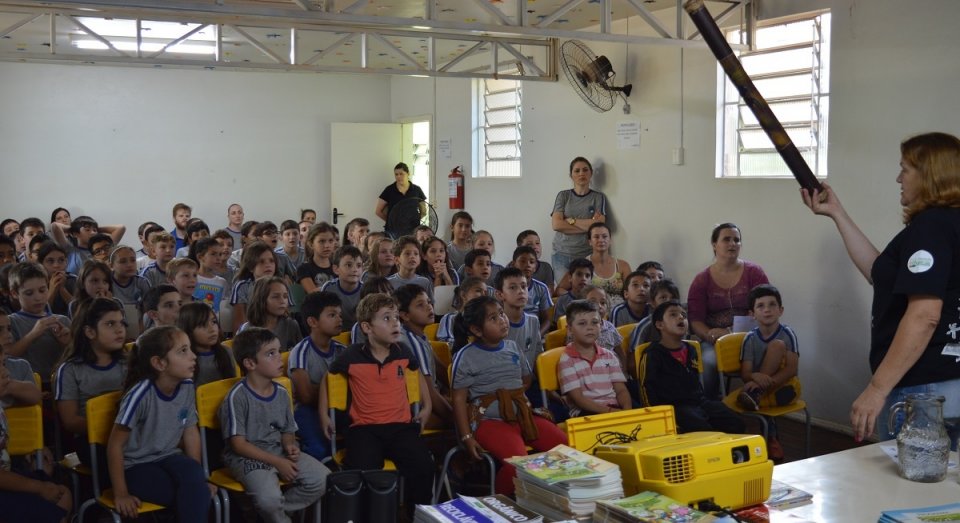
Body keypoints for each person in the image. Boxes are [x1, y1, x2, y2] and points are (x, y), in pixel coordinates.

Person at [801, 132, 960, 445]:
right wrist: (837, 213)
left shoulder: (930, 227)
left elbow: (925, 315)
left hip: (923, 389)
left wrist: (877, 389)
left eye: (905, 169)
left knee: (914, 476)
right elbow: (880, 274)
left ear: (929, 175)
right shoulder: (948, 225)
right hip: (951, 384)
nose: (899, 178)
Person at [320, 294, 435, 509]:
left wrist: (427, 406)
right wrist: (323, 415)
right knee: (362, 471)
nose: (395, 323)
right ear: (367, 327)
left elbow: (416, 373)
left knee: (423, 466)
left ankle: (416, 515)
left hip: (401, 427)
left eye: (396, 317)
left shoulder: (403, 352)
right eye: (386, 318)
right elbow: (328, 379)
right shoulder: (352, 355)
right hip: (364, 429)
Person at [450, 295, 567, 495]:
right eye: (493, 318)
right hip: (490, 422)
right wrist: (467, 436)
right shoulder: (466, 356)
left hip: (522, 415)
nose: (502, 320)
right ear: (476, 330)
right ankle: (500, 504)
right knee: (518, 465)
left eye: (501, 314)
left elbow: (526, 379)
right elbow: (459, 399)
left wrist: (513, 399)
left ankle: (548, 499)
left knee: (565, 449)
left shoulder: (512, 347)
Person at [220, 327, 329, 522]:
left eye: (278, 351)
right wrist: (277, 462)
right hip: (247, 458)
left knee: (323, 479)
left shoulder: (282, 392)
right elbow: (238, 445)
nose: (279, 357)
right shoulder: (237, 396)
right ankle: (275, 515)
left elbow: (287, 430)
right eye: (271, 353)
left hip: (278, 450)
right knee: (269, 500)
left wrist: (289, 445)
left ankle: (270, 515)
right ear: (250, 363)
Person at [107, 325, 211, 521]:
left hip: (169, 456)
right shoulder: (140, 394)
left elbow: (190, 431)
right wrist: (121, 493)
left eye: (190, 348)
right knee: (184, 494)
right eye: (183, 351)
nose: (193, 356)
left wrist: (198, 480)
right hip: (136, 464)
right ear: (159, 363)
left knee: (194, 477)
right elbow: (115, 445)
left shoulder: (187, 385)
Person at [687, 222, 769, 399]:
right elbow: (695, 320)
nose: (732, 244)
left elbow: (765, 309)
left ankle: (759, 400)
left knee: (777, 351)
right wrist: (710, 335)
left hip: (752, 338)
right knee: (708, 360)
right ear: (714, 244)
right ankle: (711, 406)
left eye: (737, 240)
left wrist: (730, 332)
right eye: (726, 239)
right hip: (714, 341)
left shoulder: (754, 273)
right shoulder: (702, 280)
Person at [639, 301, 744, 435]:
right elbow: (646, 388)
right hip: (674, 407)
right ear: (660, 325)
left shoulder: (691, 349)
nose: (681, 317)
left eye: (683, 315)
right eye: (673, 315)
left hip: (698, 402)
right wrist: (657, 415)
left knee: (735, 422)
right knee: (701, 429)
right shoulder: (653, 354)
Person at [54, 298, 127, 466]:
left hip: (129, 434)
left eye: (121, 323)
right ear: (90, 332)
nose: (119, 329)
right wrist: (111, 427)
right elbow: (70, 421)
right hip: (91, 440)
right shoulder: (70, 370)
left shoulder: (128, 363)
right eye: (110, 324)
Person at [288, 291, 346, 460]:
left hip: (336, 408)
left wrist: (319, 390)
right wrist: (334, 392)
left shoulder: (343, 350)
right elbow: (305, 397)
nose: (339, 319)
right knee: (319, 449)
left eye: (340, 315)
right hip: (306, 410)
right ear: (313, 322)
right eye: (332, 315)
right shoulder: (301, 352)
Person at [558, 300, 632, 417]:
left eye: (594, 322)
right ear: (570, 330)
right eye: (582, 323)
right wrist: (610, 412)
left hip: (613, 408)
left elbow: (621, 390)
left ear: (601, 326)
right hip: (586, 413)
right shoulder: (567, 360)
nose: (590, 328)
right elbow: (579, 399)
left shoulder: (609, 356)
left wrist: (627, 411)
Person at [395, 284, 453, 428]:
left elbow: (440, 368)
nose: (429, 307)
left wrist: (461, 392)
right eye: (420, 305)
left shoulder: (419, 334)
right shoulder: (411, 342)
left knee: (472, 407)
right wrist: (457, 421)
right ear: (405, 315)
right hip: (416, 410)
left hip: (429, 400)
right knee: (469, 419)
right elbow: (429, 393)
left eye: (428, 302)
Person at [7, 262, 71, 384]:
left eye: (42, 290)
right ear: (15, 293)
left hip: (62, 383)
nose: (38, 297)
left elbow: (77, 357)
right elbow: (7, 356)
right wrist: (33, 334)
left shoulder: (63, 321)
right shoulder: (11, 322)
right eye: (29, 293)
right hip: (28, 386)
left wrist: (67, 343)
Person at [550, 157, 608, 278]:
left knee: (584, 288)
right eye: (577, 171)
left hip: (586, 255)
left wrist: (571, 220)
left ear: (591, 173)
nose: (581, 173)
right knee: (564, 289)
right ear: (571, 175)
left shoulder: (598, 197)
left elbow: (599, 227)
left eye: (585, 170)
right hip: (561, 254)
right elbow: (556, 225)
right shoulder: (563, 196)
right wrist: (589, 225)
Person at [177, 302, 236, 386]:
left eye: (214, 322)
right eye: (203, 325)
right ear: (188, 330)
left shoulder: (227, 352)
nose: (212, 329)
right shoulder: (184, 360)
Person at [239, 277, 302, 350]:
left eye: (285, 296)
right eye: (276, 297)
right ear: (261, 299)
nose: (282, 301)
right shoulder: (247, 330)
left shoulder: (291, 325)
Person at [230, 241, 279, 333]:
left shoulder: (281, 286)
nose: (268, 265)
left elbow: (286, 316)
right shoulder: (243, 286)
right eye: (261, 262)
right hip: (251, 334)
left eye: (271, 261)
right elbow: (240, 322)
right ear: (251, 267)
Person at [511, 246, 552, 336]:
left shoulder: (541, 288)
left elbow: (547, 320)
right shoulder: (507, 287)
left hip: (535, 332)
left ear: (535, 267)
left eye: (532, 262)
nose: (528, 265)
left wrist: (537, 336)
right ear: (513, 264)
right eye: (523, 261)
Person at [320, 245, 364, 329]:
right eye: (349, 265)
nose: (355, 269)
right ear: (336, 269)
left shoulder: (366, 289)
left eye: (359, 265)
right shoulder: (329, 288)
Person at [375, 162, 427, 229]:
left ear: (408, 173)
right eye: (396, 174)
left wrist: (414, 221)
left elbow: (423, 211)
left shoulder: (417, 190)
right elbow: (378, 211)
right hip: (393, 231)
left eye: (401, 174)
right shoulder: (389, 190)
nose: (398, 176)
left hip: (413, 230)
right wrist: (391, 222)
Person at [436, 277, 487, 344]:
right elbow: (445, 342)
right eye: (478, 291)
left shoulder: (485, 318)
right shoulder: (451, 318)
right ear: (463, 295)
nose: (483, 295)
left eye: (485, 292)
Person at [552, 258, 594, 329]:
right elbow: (558, 325)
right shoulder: (562, 300)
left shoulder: (594, 299)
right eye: (579, 274)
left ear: (591, 280)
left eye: (587, 276)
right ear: (570, 278)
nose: (583, 278)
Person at [297, 222, 337, 293]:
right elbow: (313, 293)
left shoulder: (338, 267)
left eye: (331, 241)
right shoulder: (304, 269)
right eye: (322, 241)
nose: (327, 245)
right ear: (311, 244)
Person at [110, 245, 150, 312]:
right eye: (123, 261)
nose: (129, 265)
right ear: (111, 266)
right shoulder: (107, 283)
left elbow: (149, 307)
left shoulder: (142, 282)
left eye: (133, 260)